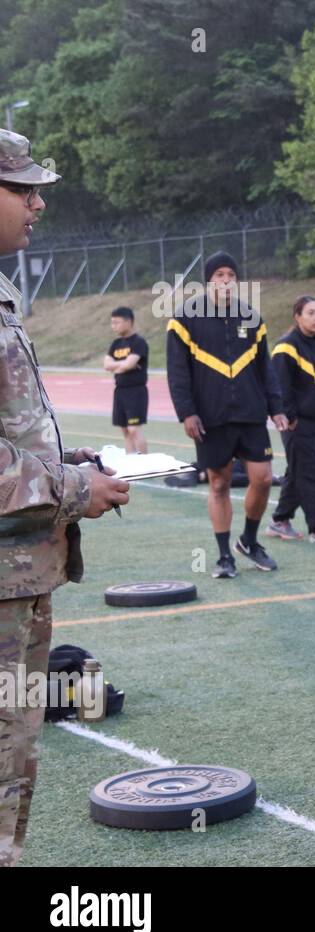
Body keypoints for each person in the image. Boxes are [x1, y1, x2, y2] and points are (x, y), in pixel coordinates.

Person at [1, 128, 130, 866]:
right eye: (22, 188)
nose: (38, 202)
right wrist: (77, 487)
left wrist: (64, 460)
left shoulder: (4, 290)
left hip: (20, 576)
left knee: (14, 762)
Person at [166, 251, 287, 579]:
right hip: (210, 417)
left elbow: (266, 368)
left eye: (231, 275)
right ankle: (223, 556)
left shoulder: (251, 317)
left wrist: (276, 408)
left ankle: (248, 540)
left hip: (250, 414)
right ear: (208, 282)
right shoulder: (184, 320)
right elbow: (177, 372)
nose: (225, 281)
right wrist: (187, 413)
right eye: (219, 275)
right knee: (218, 483)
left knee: (262, 478)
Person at [267, 296, 315, 546]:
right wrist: (291, 418)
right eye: (310, 313)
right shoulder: (286, 347)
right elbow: (279, 387)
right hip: (297, 424)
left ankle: (280, 519)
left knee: (298, 472)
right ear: (297, 316)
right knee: (310, 473)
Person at [102, 306, 149, 453]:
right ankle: (131, 465)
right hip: (120, 391)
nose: (114, 326)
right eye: (112, 323)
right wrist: (122, 365)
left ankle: (146, 462)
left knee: (134, 429)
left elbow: (129, 364)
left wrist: (120, 365)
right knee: (126, 432)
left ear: (129, 322)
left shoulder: (139, 342)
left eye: (117, 322)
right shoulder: (116, 344)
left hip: (135, 391)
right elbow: (106, 365)